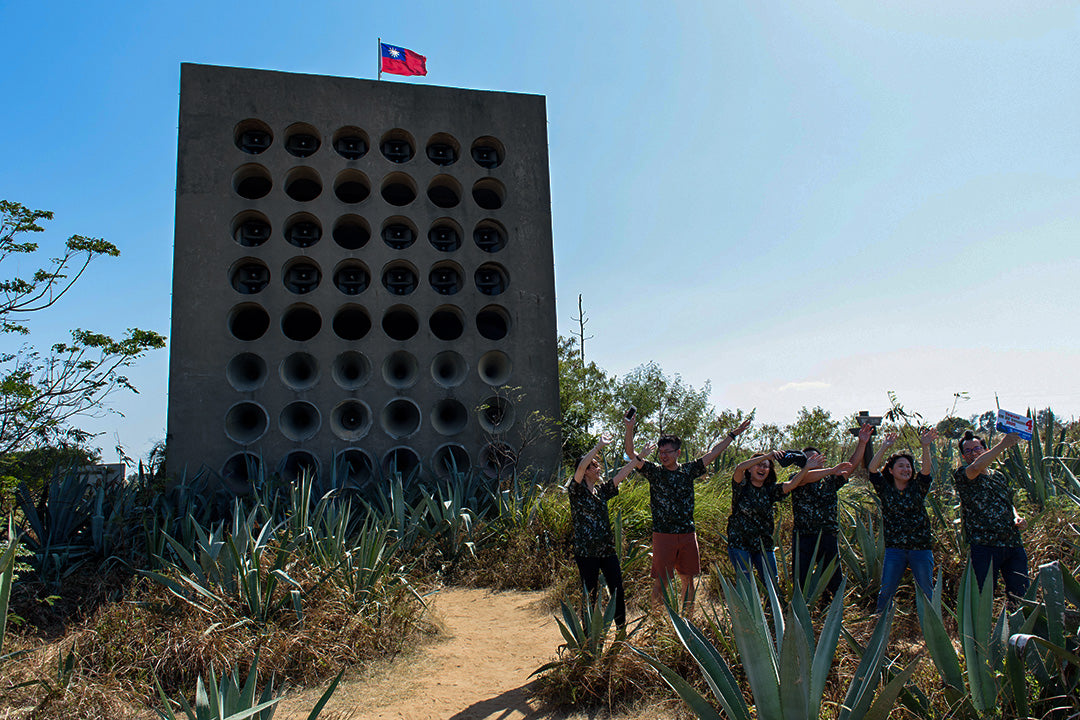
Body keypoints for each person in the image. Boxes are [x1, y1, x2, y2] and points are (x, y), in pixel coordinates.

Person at [625, 414, 752, 611]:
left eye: (667, 452)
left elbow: (713, 453)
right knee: (661, 582)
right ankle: (657, 625)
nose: (663, 456)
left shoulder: (688, 470)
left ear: (678, 452)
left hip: (686, 534)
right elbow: (631, 454)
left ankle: (687, 623)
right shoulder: (655, 472)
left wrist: (733, 434)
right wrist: (630, 428)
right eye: (660, 452)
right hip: (663, 534)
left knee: (688, 580)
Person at [567, 433, 651, 629]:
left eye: (597, 465)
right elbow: (579, 467)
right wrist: (598, 446)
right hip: (586, 553)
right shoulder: (576, 491)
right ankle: (588, 637)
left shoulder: (601, 491)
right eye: (594, 466)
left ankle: (621, 629)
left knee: (617, 590)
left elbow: (621, 474)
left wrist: (639, 458)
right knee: (590, 593)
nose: (598, 468)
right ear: (586, 471)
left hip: (607, 551)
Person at [866, 428, 938, 612]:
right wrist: (883, 447)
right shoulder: (885, 489)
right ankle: (880, 626)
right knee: (887, 591)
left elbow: (926, 471)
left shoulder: (917, 487)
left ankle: (929, 629)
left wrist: (925, 446)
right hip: (895, 549)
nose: (906, 469)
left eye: (908, 466)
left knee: (926, 592)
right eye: (901, 466)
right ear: (891, 470)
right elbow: (872, 470)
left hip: (920, 549)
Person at [954, 430, 1029, 602]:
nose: (974, 453)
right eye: (968, 451)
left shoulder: (999, 476)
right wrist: (1004, 443)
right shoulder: (964, 474)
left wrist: (1016, 517)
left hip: (1012, 543)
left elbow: (1008, 502)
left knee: (1020, 595)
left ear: (985, 449)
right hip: (984, 547)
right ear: (964, 457)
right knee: (983, 598)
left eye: (977, 448)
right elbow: (977, 467)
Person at [788, 437, 861, 600]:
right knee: (801, 580)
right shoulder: (797, 477)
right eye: (807, 459)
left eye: (816, 458)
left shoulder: (830, 480)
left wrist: (862, 442)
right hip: (803, 537)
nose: (812, 461)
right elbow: (804, 478)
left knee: (833, 579)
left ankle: (833, 608)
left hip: (827, 535)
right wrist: (828, 470)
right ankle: (802, 611)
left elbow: (851, 465)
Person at [727, 451, 805, 588]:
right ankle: (745, 610)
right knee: (746, 584)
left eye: (766, 466)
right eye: (758, 465)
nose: (762, 469)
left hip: (764, 545)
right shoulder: (741, 486)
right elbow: (739, 468)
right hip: (740, 544)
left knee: (772, 582)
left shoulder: (770, 490)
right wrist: (767, 456)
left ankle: (770, 609)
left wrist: (807, 467)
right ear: (750, 469)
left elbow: (792, 484)